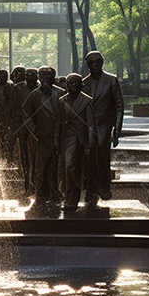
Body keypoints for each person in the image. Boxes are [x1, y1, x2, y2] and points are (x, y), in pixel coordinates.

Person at [82, 50, 123, 210]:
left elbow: (119, 105)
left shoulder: (111, 80)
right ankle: (91, 190)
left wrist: (117, 130)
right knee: (88, 158)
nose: (96, 65)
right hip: (87, 126)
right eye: (93, 63)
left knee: (101, 156)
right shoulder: (84, 83)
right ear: (88, 65)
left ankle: (104, 189)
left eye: (98, 62)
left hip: (104, 125)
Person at [22, 66, 64, 216]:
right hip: (40, 137)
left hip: (56, 135)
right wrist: (34, 130)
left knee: (55, 167)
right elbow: (26, 115)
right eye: (44, 77)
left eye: (49, 77)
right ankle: (39, 193)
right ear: (40, 79)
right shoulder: (34, 95)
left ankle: (55, 193)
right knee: (39, 167)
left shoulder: (60, 93)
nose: (47, 80)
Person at [59, 73, 96, 217]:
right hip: (67, 139)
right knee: (68, 168)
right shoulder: (62, 101)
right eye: (70, 83)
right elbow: (59, 123)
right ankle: (70, 197)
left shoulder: (86, 101)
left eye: (75, 83)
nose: (72, 86)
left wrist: (91, 143)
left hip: (81, 140)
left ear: (81, 85)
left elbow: (91, 124)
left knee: (77, 169)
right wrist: (57, 141)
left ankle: (76, 196)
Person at [10, 67, 39, 200]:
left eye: (33, 74)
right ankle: (27, 183)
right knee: (25, 155)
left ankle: (38, 183)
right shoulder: (17, 88)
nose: (30, 76)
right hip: (22, 126)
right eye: (28, 74)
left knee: (38, 156)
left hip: (40, 126)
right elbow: (12, 107)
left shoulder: (42, 88)